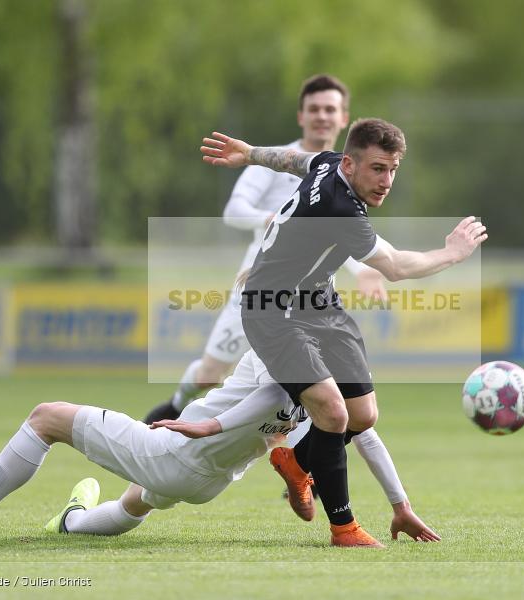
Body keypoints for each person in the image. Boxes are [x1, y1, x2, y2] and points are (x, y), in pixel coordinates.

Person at [199, 118, 487, 547]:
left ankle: (296, 461)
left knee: (364, 415)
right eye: (377, 169)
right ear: (351, 165)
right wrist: (452, 254)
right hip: (273, 310)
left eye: (393, 169)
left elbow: (297, 160)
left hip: (318, 301)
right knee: (333, 413)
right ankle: (344, 528)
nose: (386, 180)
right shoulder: (340, 209)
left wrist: (252, 153)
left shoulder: (330, 163)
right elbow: (394, 266)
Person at [0, 350, 440, 545]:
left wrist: (212, 425)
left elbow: (269, 393)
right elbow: (363, 431)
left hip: (176, 453)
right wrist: (401, 504)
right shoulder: (329, 376)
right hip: (214, 481)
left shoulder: (280, 348)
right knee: (132, 502)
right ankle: (72, 520)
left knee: (45, 418)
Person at [145, 74, 386, 425]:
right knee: (211, 373)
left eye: (330, 109)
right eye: (314, 109)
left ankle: (300, 462)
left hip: (305, 297)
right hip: (258, 284)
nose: (322, 116)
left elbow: (342, 235)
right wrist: (270, 218)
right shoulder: (279, 161)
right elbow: (234, 211)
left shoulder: (347, 171)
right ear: (301, 116)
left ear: (343, 117)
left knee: (318, 387)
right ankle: (178, 403)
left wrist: (364, 270)